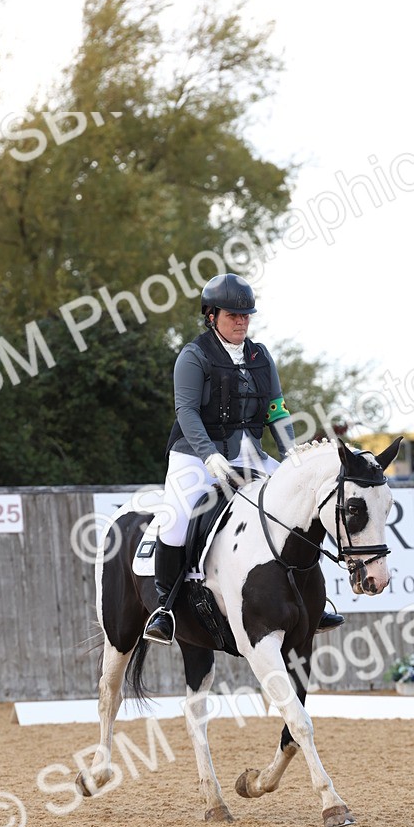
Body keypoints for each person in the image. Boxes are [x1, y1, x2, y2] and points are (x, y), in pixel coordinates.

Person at [143, 272, 345, 644]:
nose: (241, 322)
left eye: (245, 315)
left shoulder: (260, 356)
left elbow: (276, 409)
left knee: (307, 505)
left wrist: (291, 453)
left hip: (251, 454)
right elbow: (186, 411)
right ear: (211, 316)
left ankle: (316, 599)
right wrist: (208, 456)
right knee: (176, 520)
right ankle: (165, 608)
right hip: (195, 456)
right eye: (233, 315)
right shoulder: (194, 355)